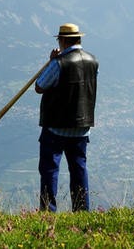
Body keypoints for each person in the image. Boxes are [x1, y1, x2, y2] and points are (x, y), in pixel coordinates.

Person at [35, 23, 98, 212]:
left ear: (62, 40)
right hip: (82, 127)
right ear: (78, 39)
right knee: (79, 170)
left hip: (56, 127)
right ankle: (81, 211)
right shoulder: (92, 61)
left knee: (49, 170)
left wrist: (50, 62)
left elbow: (40, 86)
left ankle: (48, 211)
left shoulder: (59, 62)